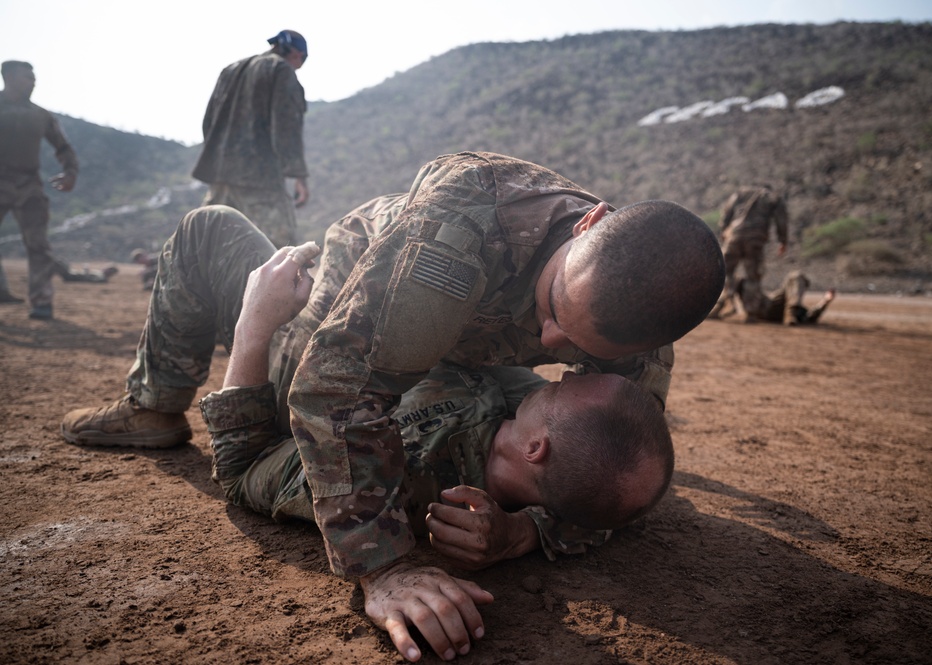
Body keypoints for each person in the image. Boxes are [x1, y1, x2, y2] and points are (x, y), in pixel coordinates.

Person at [62, 151, 725, 660]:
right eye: (553, 310)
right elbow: (335, 388)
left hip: (436, 369)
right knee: (212, 231)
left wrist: (526, 531)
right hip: (340, 308)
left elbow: (620, 474)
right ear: (589, 223)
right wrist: (383, 564)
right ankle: (155, 404)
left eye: (583, 348)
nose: (552, 344)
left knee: (209, 229)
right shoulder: (455, 233)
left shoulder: (636, 324)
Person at [192, 30, 310, 247]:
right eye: (301, 60)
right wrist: (298, 176)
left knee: (208, 247)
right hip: (260, 180)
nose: (298, 65)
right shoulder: (281, 70)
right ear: (295, 53)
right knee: (281, 251)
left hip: (221, 180)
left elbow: (209, 122)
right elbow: (286, 127)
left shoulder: (230, 70)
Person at [0, 60, 82, 318]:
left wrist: (70, 172)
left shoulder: (40, 115)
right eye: (27, 77)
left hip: (29, 185)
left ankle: (42, 302)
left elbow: (64, 146)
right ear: (8, 77)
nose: (33, 82)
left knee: (38, 245)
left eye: (34, 78)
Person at [709, 184, 789, 318]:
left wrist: (724, 228)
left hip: (734, 236)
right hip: (755, 239)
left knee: (724, 271)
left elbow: (727, 211)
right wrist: (783, 240)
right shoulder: (772, 196)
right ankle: (750, 312)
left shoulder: (742, 193)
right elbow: (781, 220)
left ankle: (719, 305)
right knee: (752, 276)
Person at [731, 270, 835, 325]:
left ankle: (719, 305)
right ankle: (720, 304)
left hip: (765, 308)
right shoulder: (795, 306)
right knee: (796, 276)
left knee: (739, 280)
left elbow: (810, 316)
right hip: (768, 305)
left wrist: (825, 301)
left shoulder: (799, 312)